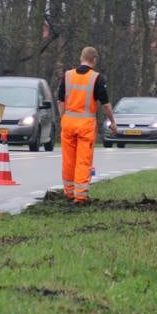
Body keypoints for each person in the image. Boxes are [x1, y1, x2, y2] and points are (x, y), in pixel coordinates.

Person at [57, 46, 117, 204]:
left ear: (80, 58)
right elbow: (105, 105)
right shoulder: (97, 78)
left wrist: (63, 118)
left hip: (68, 123)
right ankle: (80, 196)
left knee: (68, 160)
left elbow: (60, 101)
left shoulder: (67, 76)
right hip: (85, 126)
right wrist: (113, 122)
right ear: (94, 60)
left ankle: (69, 192)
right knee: (83, 160)